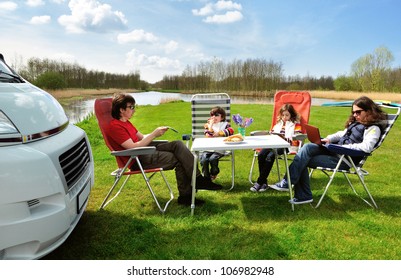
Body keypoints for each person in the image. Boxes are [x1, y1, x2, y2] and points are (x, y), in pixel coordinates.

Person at [107, 93, 222, 207]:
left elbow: (142, 137)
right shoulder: (115, 127)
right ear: (121, 110)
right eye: (131, 107)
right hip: (137, 158)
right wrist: (153, 134)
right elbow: (132, 147)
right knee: (179, 159)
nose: (134, 110)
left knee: (177, 144)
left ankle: (197, 180)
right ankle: (187, 194)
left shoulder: (126, 123)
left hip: (144, 150)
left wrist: (157, 132)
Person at [270, 96, 388, 204]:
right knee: (306, 148)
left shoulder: (373, 128)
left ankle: (298, 191)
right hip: (335, 151)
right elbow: (341, 134)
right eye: (353, 112)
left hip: (344, 159)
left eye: (358, 112)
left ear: (368, 111)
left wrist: (340, 147)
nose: (355, 115)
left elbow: (366, 147)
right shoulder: (357, 123)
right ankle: (292, 186)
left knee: (302, 159)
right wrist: (328, 139)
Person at [250, 104, 302, 192]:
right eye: (283, 115)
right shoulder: (278, 124)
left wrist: (285, 138)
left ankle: (259, 182)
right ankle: (264, 183)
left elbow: (297, 138)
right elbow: (272, 134)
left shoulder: (295, 125)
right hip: (273, 144)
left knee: (270, 156)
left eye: (287, 115)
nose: (284, 117)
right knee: (261, 154)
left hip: (286, 146)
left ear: (291, 115)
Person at [200, 106, 234, 180]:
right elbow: (208, 135)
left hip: (220, 148)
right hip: (208, 148)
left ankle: (214, 173)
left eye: (216, 115)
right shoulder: (207, 125)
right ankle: (206, 178)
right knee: (204, 159)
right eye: (212, 115)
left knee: (213, 159)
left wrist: (219, 133)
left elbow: (231, 131)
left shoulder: (225, 124)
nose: (214, 117)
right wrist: (210, 126)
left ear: (222, 117)